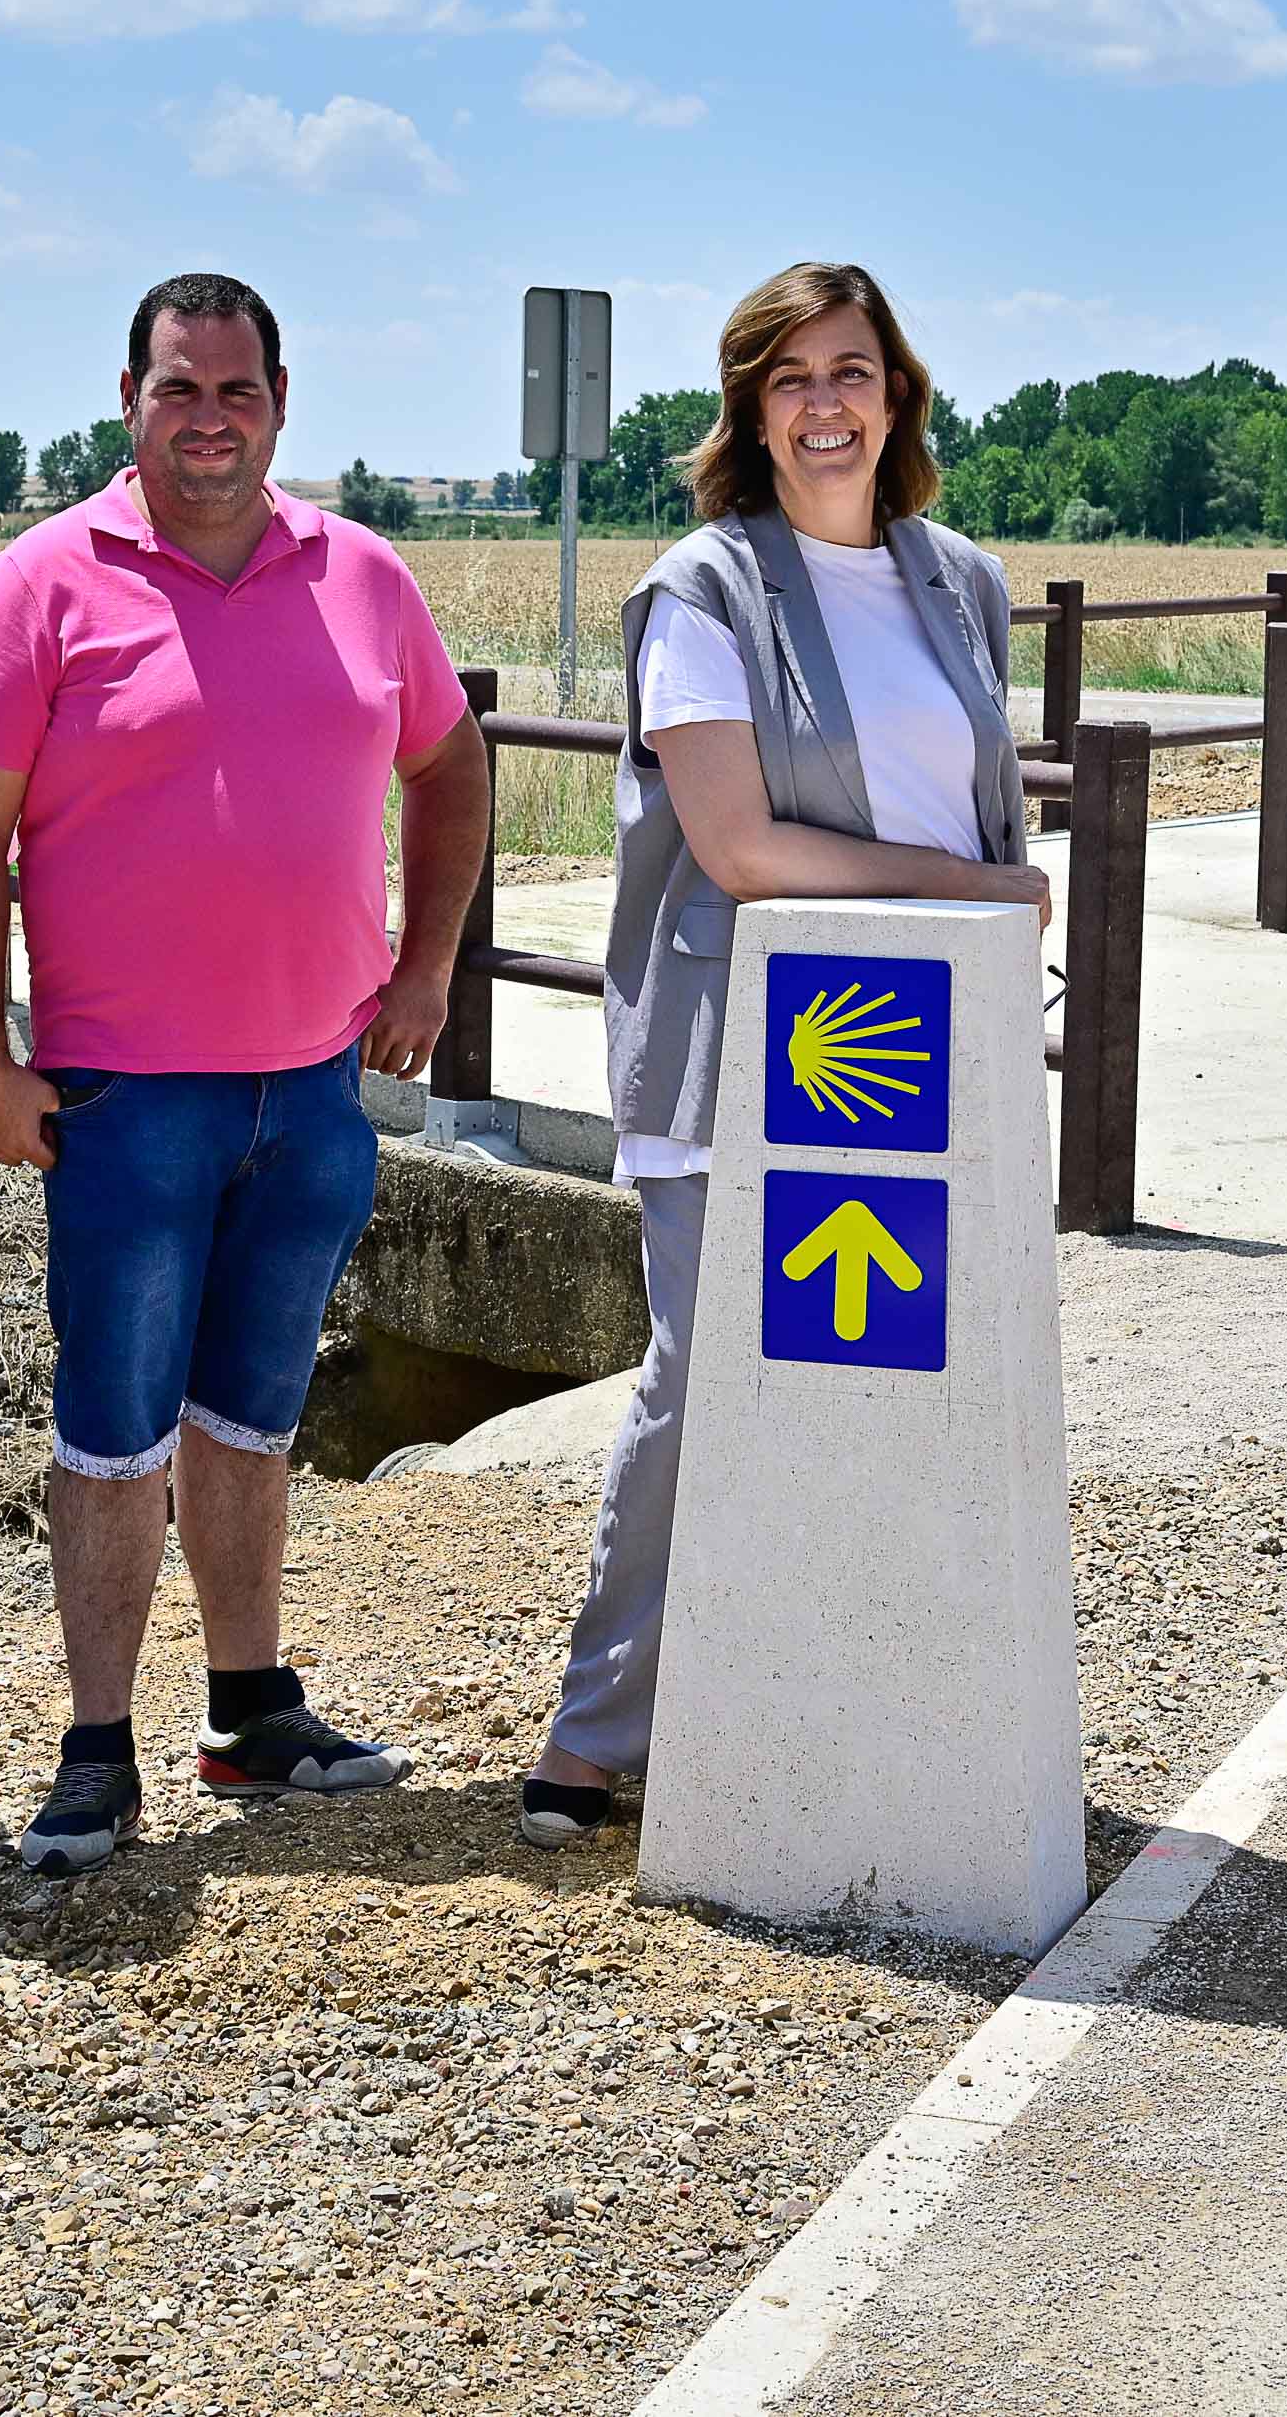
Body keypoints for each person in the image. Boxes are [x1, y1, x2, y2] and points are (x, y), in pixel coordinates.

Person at [0, 273, 495, 1876]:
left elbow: (449, 765)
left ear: (282, 398)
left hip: (311, 1091)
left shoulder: (363, 576)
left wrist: (431, 967)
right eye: (181, 388)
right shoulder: (44, 581)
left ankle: (250, 1708)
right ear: (131, 397)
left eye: (237, 390)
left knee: (250, 1414)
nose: (211, 418)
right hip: (125, 1095)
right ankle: (93, 1751)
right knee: (112, 1428)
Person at [524, 263, 1048, 1847]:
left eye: (856, 369)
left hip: (923, 1052)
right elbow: (739, 846)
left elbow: (962, 795)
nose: (830, 404)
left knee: (899, 1373)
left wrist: (974, 905)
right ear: (753, 409)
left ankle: (857, 1685)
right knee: (709, 1379)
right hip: (753, 1046)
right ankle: (600, 1723)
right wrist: (978, 893)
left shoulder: (961, 577)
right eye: (792, 378)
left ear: (900, 393)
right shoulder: (706, 590)